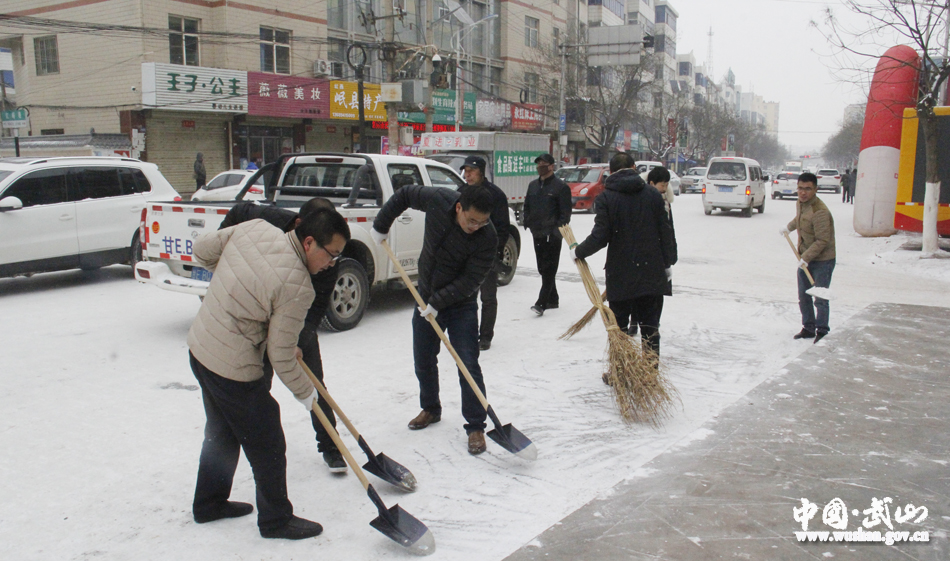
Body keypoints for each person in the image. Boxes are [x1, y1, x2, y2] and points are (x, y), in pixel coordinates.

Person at [187, 206, 350, 539]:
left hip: (201, 348)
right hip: (231, 366)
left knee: (222, 430)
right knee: (268, 441)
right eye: (331, 255)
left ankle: (209, 503)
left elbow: (202, 249)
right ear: (308, 243)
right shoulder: (299, 286)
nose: (331, 264)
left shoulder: (255, 228)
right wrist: (307, 395)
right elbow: (279, 356)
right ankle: (276, 520)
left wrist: (233, 281)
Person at [218, 198, 348, 473]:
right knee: (256, 389)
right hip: (258, 322)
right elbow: (240, 210)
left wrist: (297, 341)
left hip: (296, 319)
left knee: (314, 385)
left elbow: (317, 306)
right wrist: (225, 257)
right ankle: (253, 452)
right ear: (299, 225)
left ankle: (331, 446)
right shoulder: (274, 222)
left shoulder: (328, 257)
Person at [371, 184, 497, 455]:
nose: (476, 226)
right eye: (472, 220)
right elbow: (404, 194)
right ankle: (430, 408)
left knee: (467, 363)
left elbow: (471, 280)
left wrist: (438, 303)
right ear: (459, 207)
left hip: (460, 304)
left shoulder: (488, 237)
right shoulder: (439, 201)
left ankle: (475, 425)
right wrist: (382, 224)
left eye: (482, 222)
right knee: (424, 359)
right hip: (424, 296)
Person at [570, 152, 675, 360]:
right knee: (650, 326)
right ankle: (649, 373)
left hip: (621, 272)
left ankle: (621, 371)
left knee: (619, 328)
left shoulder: (607, 198)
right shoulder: (654, 195)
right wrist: (668, 262)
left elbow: (601, 236)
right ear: (634, 168)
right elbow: (666, 232)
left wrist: (578, 252)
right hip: (650, 270)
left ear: (610, 171)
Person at [459, 155, 510, 351]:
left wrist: (495, 251)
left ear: (481, 171)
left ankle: (485, 336)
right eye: (465, 171)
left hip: (487, 254)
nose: (467, 175)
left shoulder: (495, 194)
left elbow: (503, 227)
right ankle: (466, 334)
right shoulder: (461, 192)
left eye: (471, 171)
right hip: (464, 254)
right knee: (465, 297)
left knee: (488, 297)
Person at [781, 172, 836, 343]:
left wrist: (806, 257)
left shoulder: (820, 211)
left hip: (823, 260)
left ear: (815, 189)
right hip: (805, 258)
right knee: (804, 296)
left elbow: (823, 240)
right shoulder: (801, 203)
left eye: (807, 189)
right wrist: (788, 228)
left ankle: (822, 330)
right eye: (800, 188)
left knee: (820, 297)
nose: (803, 192)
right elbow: (800, 219)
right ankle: (808, 328)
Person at [522, 153, 572, 316]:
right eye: (538, 164)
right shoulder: (533, 185)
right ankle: (553, 298)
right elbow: (527, 205)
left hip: (552, 234)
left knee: (550, 267)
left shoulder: (560, 187)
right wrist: (527, 221)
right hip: (537, 232)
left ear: (551, 166)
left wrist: (557, 231)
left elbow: (565, 213)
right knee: (542, 267)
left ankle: (541, 302)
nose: (540, 167)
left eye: (543, 164)